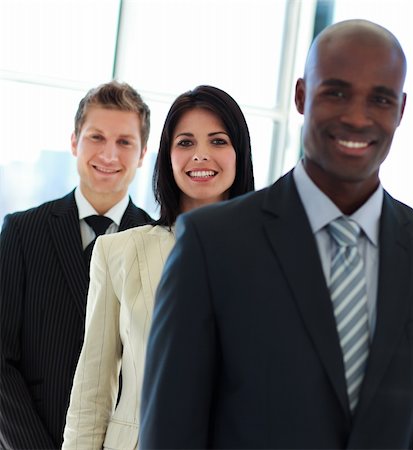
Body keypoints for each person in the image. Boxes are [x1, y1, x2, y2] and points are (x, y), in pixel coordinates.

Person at [139, 19, 412, 449]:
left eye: (379, 99)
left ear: (400, 109)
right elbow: (171, 434)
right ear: (302, 95)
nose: (357, 117)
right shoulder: (213, 245)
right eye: (336, 92)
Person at [62, 85, 255, 450]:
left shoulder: (270, 256)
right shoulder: (119, 252)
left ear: (239, 153)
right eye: (185, 143)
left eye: (217, 141)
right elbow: (92, 393)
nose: (200, 155)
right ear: (166, 155)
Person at [0, 80, 153, 450]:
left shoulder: (156, 244)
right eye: (96, 137)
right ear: (74, 141)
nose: (109, 154)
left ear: (143, 153)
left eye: (125, 142)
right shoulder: (22, 232)